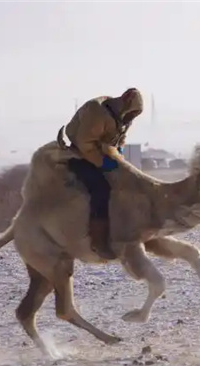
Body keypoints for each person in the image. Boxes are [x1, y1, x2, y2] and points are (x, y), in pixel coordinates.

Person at [57, 87, 144, 260]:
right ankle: (98, 241)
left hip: (102, 152)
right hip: (78, 154)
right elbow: (85, 143)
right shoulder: (97, 111)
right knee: (101, 189)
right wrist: (103, 163)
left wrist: (118, 157)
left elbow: (119, 138)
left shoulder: (123, 117)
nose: (131, 118)